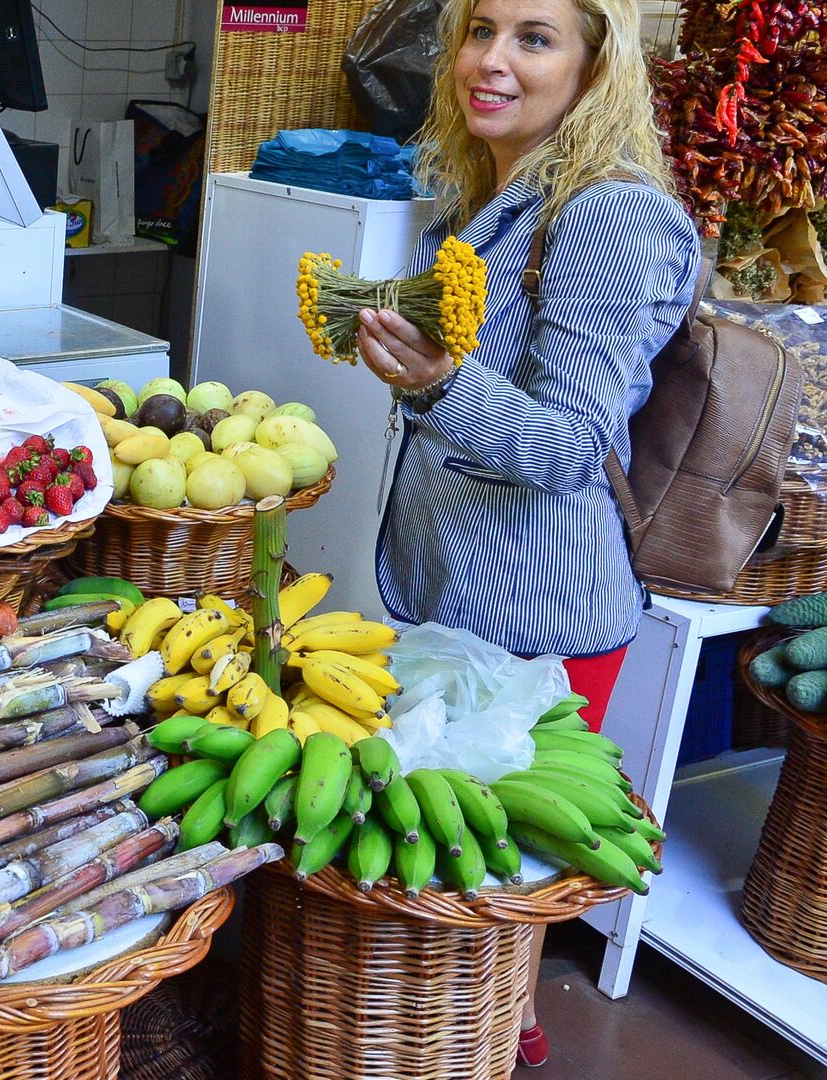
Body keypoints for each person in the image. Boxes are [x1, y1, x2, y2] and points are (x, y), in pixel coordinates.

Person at [352, 0, 700, 1066]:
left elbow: (569, 444)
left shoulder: (608, 215)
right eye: (480, 29)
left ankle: (487, 1042)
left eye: (533, 38)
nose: (490, 61)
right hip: (457, 589)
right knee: (464, 882)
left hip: (538, 610)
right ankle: (475, 1031)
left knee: (490, 888)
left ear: (598, 67)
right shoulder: (496, 197)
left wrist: (440, 384)